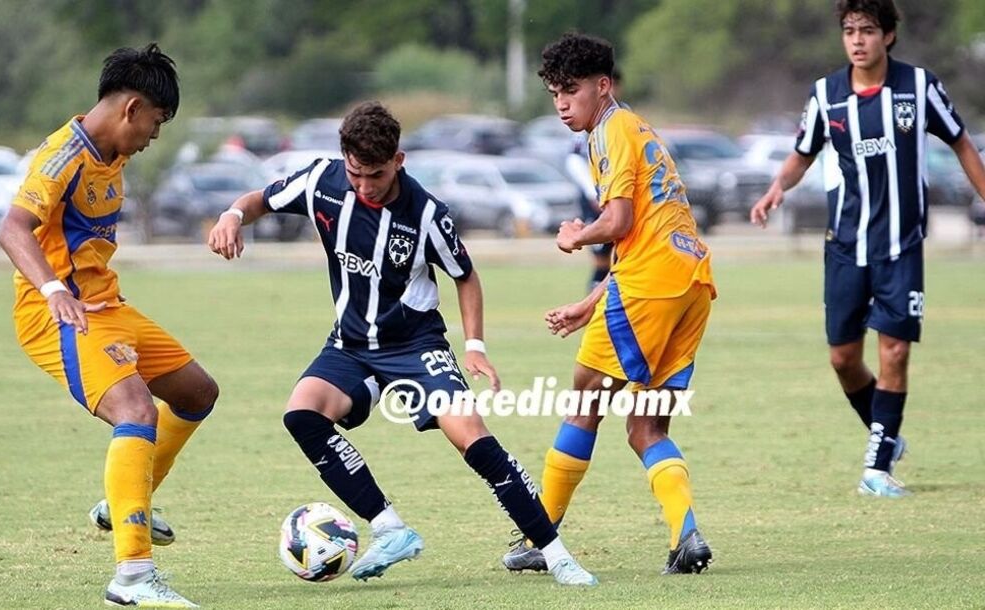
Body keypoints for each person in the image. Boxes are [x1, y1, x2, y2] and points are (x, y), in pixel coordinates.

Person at [208, 101, 598, 587]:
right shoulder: (322, 183)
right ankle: (389, 528)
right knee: (302, 415)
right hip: (350, 344)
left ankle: (557, 555)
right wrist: (230, 216)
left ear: (398, 161)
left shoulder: (427, 214)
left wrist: (474, 345)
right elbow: (258, 199)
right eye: (356, 174)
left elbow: (467, 276)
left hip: (415, 345)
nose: (364, 187)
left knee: (473, 440)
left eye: (374, 175)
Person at [0, 43, 218, 608]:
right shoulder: (60, 157)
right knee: (136, 410)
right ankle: (133, 578)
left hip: (107, 307)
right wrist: (52, 292)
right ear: (132, 108)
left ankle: (124, 501)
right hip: (59, 316)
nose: (154, 137)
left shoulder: (112, 151)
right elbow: (13, 229)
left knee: (197, 392)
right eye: (157, 123)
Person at [749, 0, 985, 497]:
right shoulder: (825, 95)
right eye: (850, 31)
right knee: (842, 359)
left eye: (869, 31)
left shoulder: (919, 87)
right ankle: (886, 432)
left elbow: (962, 142)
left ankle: (876, 467)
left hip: (901, 245)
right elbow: (801, 154)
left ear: (889, 36)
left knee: (895, 350)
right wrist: (777, 188)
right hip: (844, 245)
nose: (858, 40)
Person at [503, 33, 716, 576]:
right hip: (688, 282)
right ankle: (686, 536)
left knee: (584, 399)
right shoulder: (635, 128)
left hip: (651, 285)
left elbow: (617, 223)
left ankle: (540, 535)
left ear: (603, 86)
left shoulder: (612, 129)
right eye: (554, 93)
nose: (561, 105)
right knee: (646, 426)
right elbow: (642, 236)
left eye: (570, 91)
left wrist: (577, 234)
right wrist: (593, 300)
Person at [564, 67, 624, 290]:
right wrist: (592, 192)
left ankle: (609, 306)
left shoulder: (623, 118)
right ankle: (595, 307)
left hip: (619, 196)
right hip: (596, 198)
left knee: (622, 257)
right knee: (601, 260)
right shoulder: (590, 121)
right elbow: (573, 159)